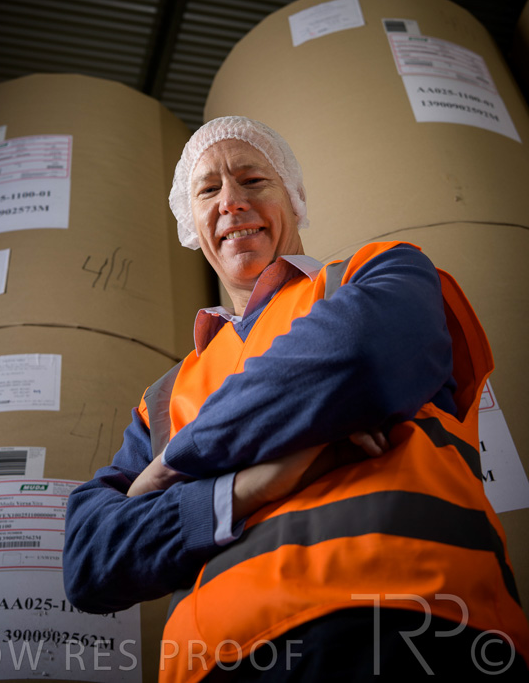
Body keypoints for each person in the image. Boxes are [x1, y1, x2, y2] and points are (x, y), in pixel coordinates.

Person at [63, 116, 529, 681]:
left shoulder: (375, 272)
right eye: (208, 191)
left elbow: (359, 358)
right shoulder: (162, 397)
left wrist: (168, 467)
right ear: (192, 224)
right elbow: (89, 560)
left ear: (295, 197)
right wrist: (245, 488)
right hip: (215, 666)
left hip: (411, 624)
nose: (231, 201)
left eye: (253, 180)